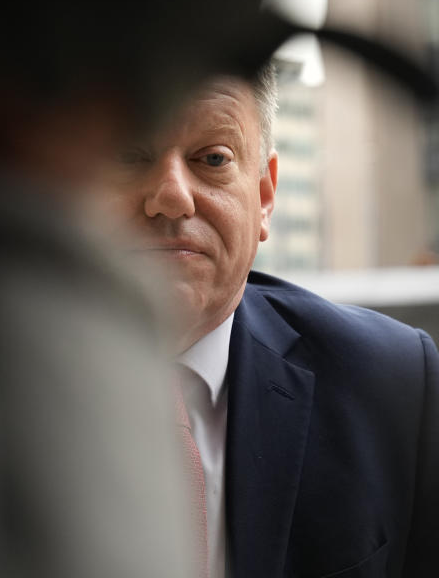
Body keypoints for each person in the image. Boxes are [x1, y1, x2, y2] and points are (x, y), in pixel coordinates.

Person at [98, 65, 439, 577]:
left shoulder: (395, 385)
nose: (171, 195)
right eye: (129, 155)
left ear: (264, 196)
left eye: (212, 159)